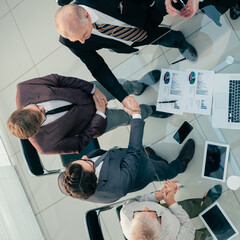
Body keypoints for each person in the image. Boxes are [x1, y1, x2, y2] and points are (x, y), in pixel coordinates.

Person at [55, 1, 198, 112]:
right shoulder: (69, 40)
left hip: (143, 14)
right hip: (127, 40)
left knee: (168, 29)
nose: (82, 42)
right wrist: (122, 97)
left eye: (84, 35)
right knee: (161, 39)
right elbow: (97, 67)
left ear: (86, 15)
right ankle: (177, 40)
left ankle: (179, 40)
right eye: (77, 40)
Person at [58, 104, 195, 203]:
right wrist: (136, 116)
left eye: (80, 160)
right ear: (96, 180)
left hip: (120, 161)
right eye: (88, 162)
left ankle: (149, 156)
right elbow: (133, 152)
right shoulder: (118, 183)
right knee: (162, 170)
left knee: (142, 155)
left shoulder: (66, 181)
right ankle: (179, 166)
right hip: (141, 172)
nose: (86, 156)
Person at [7, 72, 170, 155]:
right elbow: (79, 145)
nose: (43, 109)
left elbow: (59, 80)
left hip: (90, 91)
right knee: (129, 117)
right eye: (42, 116)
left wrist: (93, 89)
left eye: (37, 107)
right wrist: (100, 115)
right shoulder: (44, 145)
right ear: (37, 130)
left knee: (123, 87)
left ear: (21, 108)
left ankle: (139, 86)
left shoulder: (24, 89)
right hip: (98, 121)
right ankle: (151, 110)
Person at [120, 180, 222, 240]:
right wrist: (171, 203)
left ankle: (206, 202)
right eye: (152, 212)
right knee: (198, 236)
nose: (146, 207)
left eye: (139, 212)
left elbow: (138, 200)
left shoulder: (126, 213)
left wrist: (158, 196)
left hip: (167, 211)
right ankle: (215, 232)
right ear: (160, 223)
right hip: (184, 234)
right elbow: (188, 227)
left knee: (188, 206)